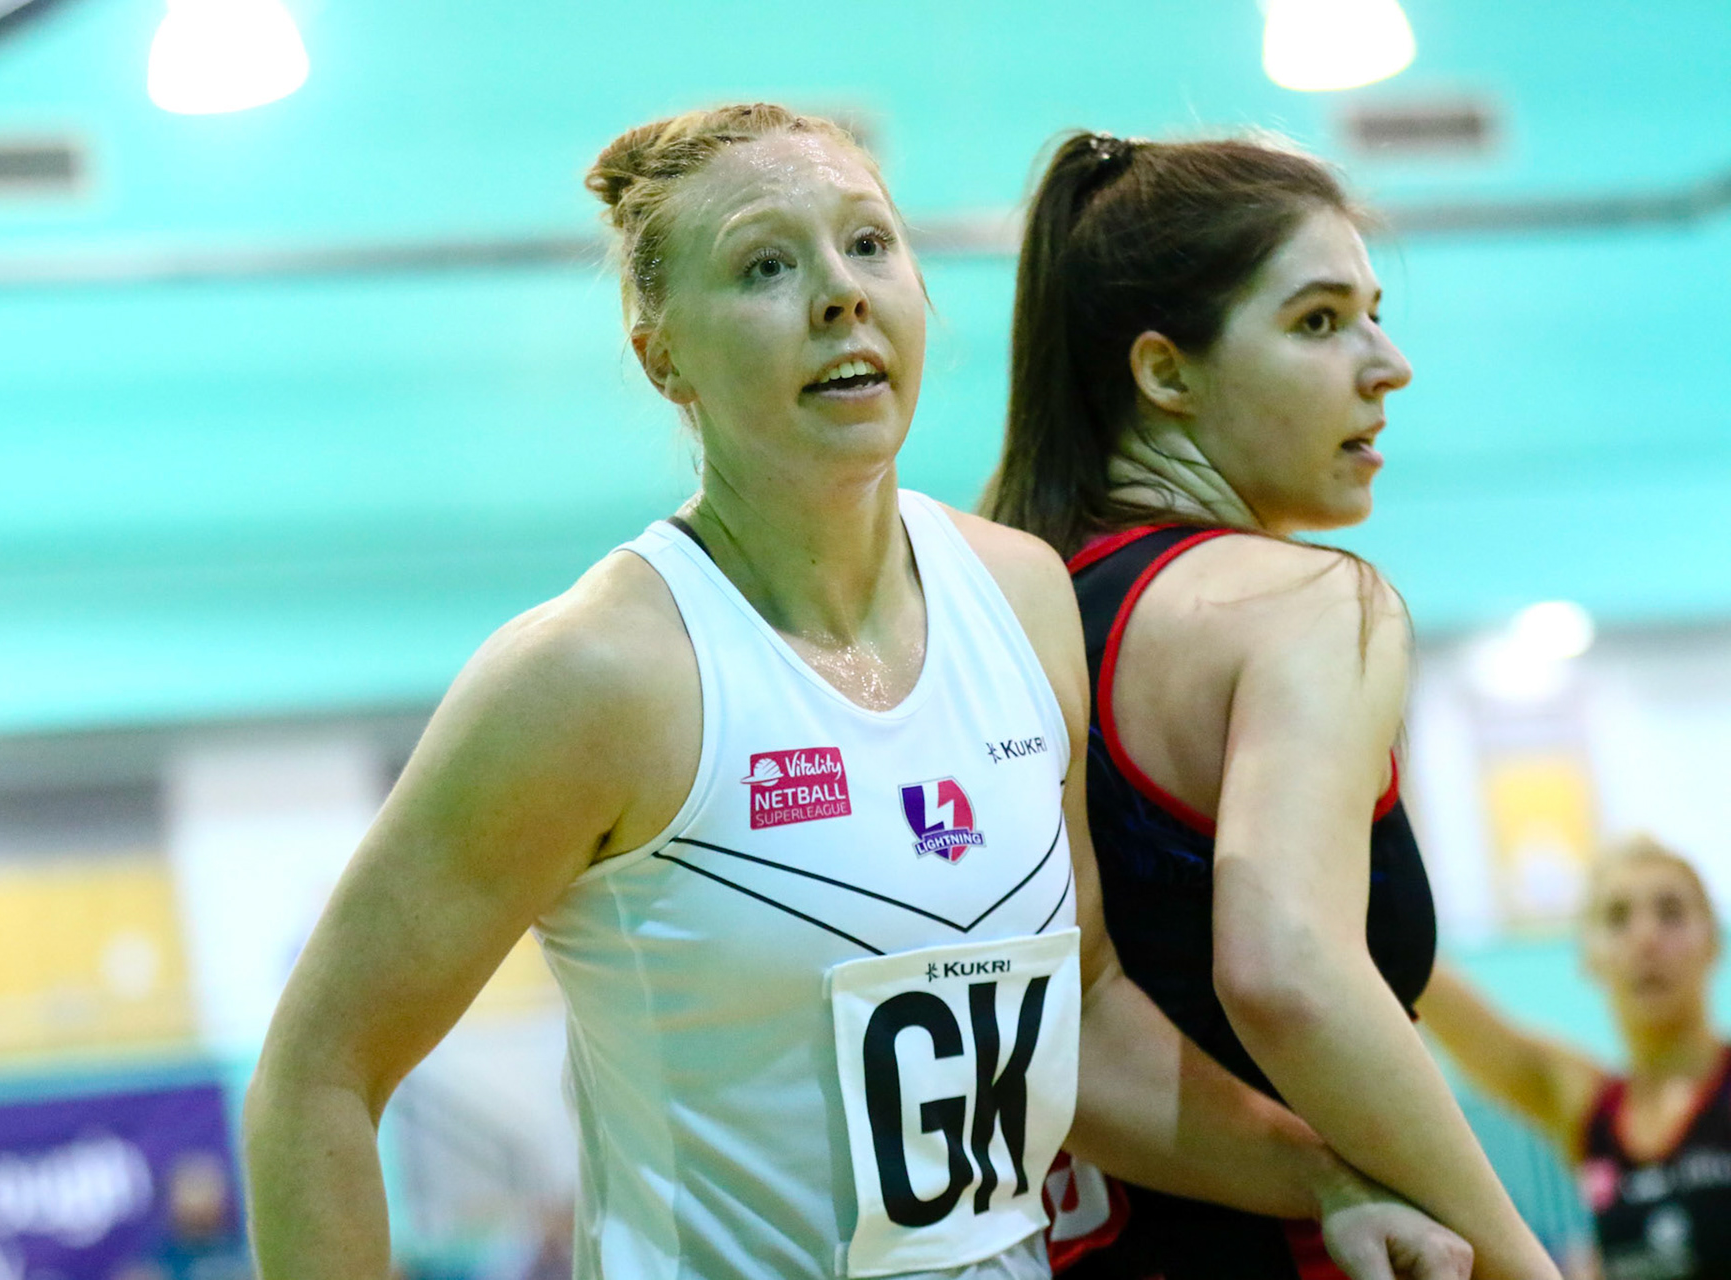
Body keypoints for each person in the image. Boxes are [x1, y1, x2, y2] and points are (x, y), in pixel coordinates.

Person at [242, 104, 1472, 1280]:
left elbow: (1083, 1016)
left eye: (870, 243)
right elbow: (318, 1076)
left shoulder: (1024, 598)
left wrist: (1327, 1180)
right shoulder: (595, 673)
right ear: (658, 346)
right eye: (767, 266)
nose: (841, 292)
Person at [983, 131, 1559, 1280]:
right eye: (1320, 321)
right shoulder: (1305, 606)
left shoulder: (990, 619)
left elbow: (1055, 1043)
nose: (1387, 362)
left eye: (1375, 312)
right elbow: (1285, 969)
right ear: (1165, 372)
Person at [1420, 836, 1731, 1280]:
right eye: (1618, 918)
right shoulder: (1588, 1102)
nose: (1646, 938)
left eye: (1671, 913)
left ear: (1712, 943)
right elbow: (1435, 989)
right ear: (1589, 956)